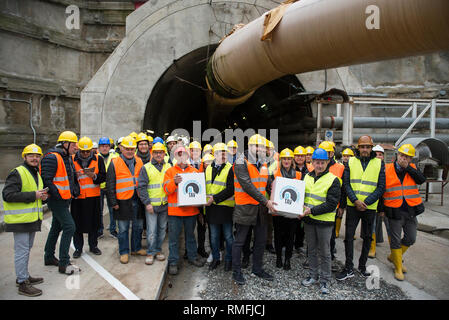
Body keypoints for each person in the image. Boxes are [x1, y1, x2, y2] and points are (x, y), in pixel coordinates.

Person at [336, 135, 385, 281]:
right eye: (362, 147)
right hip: (353, 206)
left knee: (368, 237)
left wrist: (367, 202)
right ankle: (348, 267)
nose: (365, 149)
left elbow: (381, 187)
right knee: (349, 237)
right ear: (358, 148)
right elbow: (346, 184)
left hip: (370, 208)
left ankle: (362, 267)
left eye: (367, 147)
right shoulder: (350, 161)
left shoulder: (379, 163)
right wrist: (356, 200)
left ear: (371, 148)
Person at [232, 134, 277, 285]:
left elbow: (269, 183)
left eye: (262, 147)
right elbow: (247, 185)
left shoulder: (263, 163)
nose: (259, 149)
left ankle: (257, 269)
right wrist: (266, 201)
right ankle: (236, 272)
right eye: (256, 146)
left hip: (260, 209)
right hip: (245, 208)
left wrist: (279, 197)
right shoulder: (240, 162)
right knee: (239, 241)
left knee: (260, 240)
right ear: (249, 146)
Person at [2, 144, 47, 297]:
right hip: (20, 220)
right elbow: (8, 195)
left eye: (37, 156)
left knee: (26, 250)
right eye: (31, 155)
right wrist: (33, 195)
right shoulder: (17, 172)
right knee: (21, 252)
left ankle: (24, 276)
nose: (35, 158)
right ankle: (22, 282)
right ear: (24, 157)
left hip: (31, 219)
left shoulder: (35, 172)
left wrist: (42, 197)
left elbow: (34, 195)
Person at [300, 148, 341, 295]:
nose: (319, 165)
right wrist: (299, 210)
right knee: (311, 250)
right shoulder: (306, 177)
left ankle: (324, 280)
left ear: (328, 162)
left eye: (322, 162)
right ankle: (313, 275)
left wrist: (311, 210)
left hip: (324, 222)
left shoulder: (333, 180)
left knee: (324, 252)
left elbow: (331, 204)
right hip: (309, 221)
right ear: (312, 162)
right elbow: (301, 196)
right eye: (317, 162)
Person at [384, 144, 425, 281]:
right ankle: (398, 267)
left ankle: (394, 257)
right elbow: (381, 189)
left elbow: (421, 180)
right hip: (394, 210)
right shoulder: (387, 169)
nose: (404, 159)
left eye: (407, 157)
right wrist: (381, 210)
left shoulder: (412, 169)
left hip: (410, 210)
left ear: (411, 159)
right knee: (395, 240)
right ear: (397, 155)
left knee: (411, 238)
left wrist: (407, 168)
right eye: (402, 155)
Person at [42, 131, 81, 275]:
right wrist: (58, 195)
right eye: (74, 144)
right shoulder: (52, 157)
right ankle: (64, 263)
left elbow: (69, 178)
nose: (76, 147)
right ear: (65, 144)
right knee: (70, 226)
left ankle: (49, 256)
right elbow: (47, 179)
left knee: (56, 227)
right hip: (57, 200)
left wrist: (74, 190)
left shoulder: (67, 157)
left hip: (65, 199)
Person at [163, 145, 206, 275]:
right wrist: (174, 182)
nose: (182, 157)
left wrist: (200, 211)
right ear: (175, 157)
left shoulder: (195, 171)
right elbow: (166, 190)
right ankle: (173, 262)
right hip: (175, 212)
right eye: (179, 154)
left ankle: (192, 257)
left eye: (184, 154)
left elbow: (200, 191)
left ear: (188, 156)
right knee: (174, 238)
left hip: (191, 212)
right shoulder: (170, 172)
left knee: (190, 236)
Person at [106, 136, 145, 264]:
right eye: (127, 149)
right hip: (122, 201)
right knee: (123, 228)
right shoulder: (114, 162)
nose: (130, 151)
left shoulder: (139, 161)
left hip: (137, 199)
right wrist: (113, 203)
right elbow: (110, 184)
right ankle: (124, 252)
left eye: (132, 149)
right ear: (121, 148)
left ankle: (136, 248)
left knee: (138, 226)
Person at [70, 137, 106, 258]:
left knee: (94, 224)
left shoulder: (98, 159)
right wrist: (76, 175)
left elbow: (103, 176)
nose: (85, 154)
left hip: (93, 196)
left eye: (87, 151)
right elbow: (68, 178)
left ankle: (93, 246)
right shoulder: (72, 160)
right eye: (83, 151)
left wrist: (94, 176)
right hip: (78, 197)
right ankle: (78, 248)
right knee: (77, 225)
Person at [137, 142, 171, 265]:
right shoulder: (146, 168)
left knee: (162, 230)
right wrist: (147, 203)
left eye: (160, 152)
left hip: (165, 205)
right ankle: (150, 252)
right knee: (151, 231)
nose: (158, 155)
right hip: (151, 206)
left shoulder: (169, 167)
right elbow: (141, 187)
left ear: (164, 153)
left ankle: (158, 250)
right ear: (152, 154)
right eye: (156, 152)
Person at [267, 148, 301, 270]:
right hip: (278, 211)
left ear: (292, 161)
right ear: (281, 160)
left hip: (292, 212)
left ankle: (287, 259)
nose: (286, 161)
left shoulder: (298, 175)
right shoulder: (274, 174)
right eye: (284, 159)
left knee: (291, 236)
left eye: (288, 159)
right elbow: (269, 188)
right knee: (278, 235)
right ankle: (278, 258)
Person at [204, 143, 235, 271]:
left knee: (228, 236)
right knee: (214, 236)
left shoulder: (230, 168)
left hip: (225, 208)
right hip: (211, 209)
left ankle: (229, 259)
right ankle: (216, 258)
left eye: (224, 153)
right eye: (219, 153)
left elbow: (230, 189)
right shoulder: (208, 168)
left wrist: (214, 199)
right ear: (214, 155)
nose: (222, 155)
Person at [319, 141, 345, 270]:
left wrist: (342, 206)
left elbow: (344, 188)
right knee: (314, 236)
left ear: (332, 153)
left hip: (333, 207)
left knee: (330, 236)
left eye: (327, 153)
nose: (325, 155)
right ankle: (312, 259)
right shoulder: (315, 166)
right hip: (316, 205)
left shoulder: (340, 168)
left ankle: (330, 261)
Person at [368, 145, 391, 258]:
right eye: (376, 154)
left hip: (388, 203)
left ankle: (395, 254)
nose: (378, 156)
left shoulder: (389, 169)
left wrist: (382, 208)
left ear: (383, 156)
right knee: (372, 225)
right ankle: (372, 248)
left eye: (380, 154)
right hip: (373, 202)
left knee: (390, 228)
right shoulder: (370, 168)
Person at [98, 136, 119, 238]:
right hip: (99, 187)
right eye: (102, 146)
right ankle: (99, 230)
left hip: (111, 187)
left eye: (106, 146)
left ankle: (113, 229)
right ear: (99, 147)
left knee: (113, 209)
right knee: (99, 210)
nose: (104, 148)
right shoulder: (96, 157)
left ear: (109, 146)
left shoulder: (115, 157)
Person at [293, 146, 308, 254]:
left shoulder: (310, 169)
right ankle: (287, 243)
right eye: (297, 156)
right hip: (293, 199)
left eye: (302, 156)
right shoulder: (290, 168)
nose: (299, 158)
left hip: (304, 199)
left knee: (301, 224)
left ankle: (298, 245)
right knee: (290, 222)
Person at [265, 140, 277, 254]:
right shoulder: (258, 162)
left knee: (269, 222)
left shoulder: (276, 163)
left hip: (271, 195)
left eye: (269, 149)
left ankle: (269, 242)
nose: (268, 151)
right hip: (260, 196)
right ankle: (257, 243)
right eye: (266, 148)